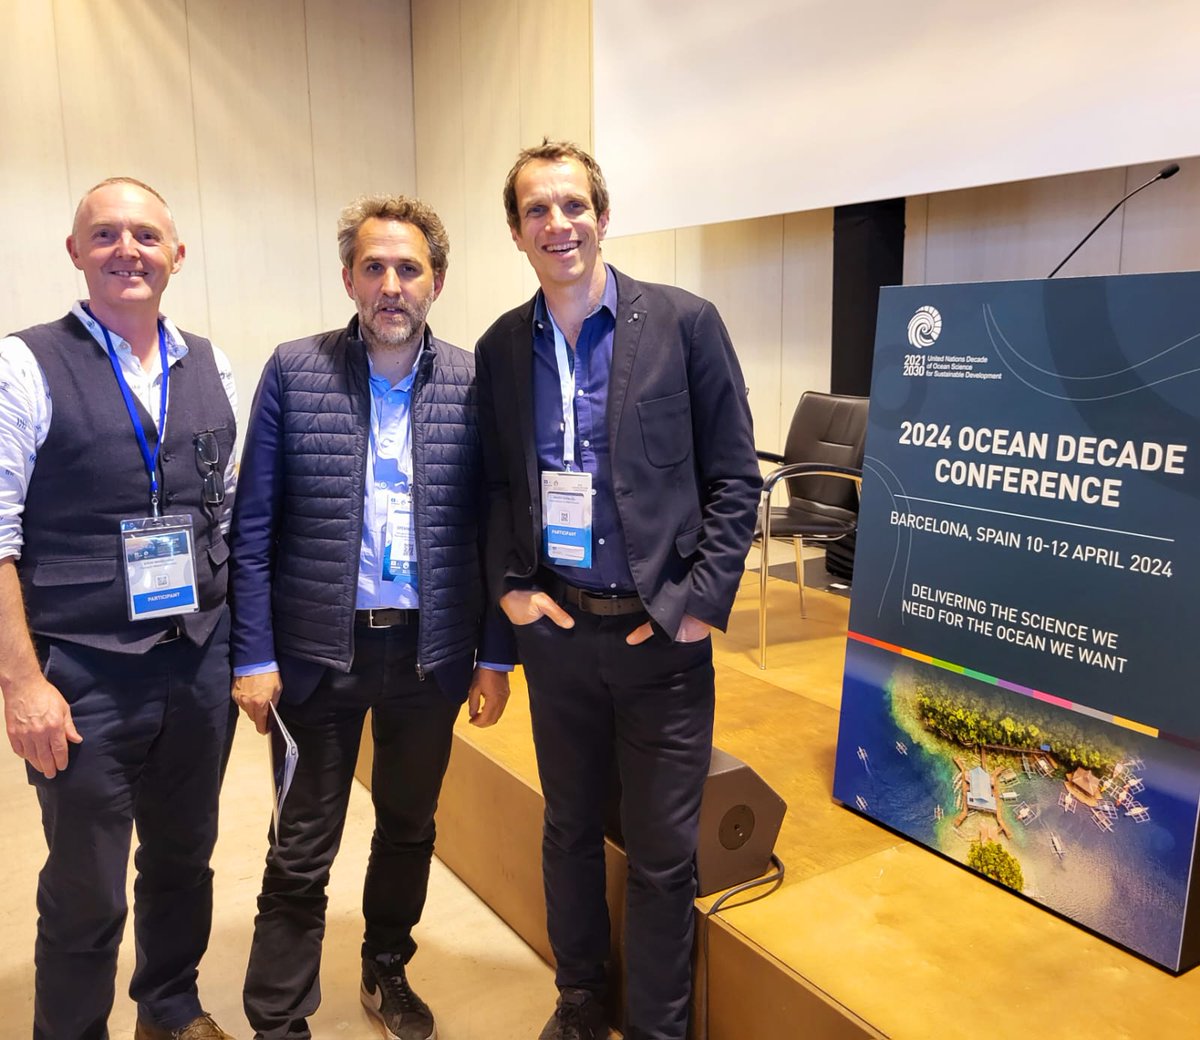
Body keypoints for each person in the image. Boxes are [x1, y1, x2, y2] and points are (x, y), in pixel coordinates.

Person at [475, 141, 762, 1040]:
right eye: (537, 211)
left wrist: (695, 609)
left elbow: (736, 478)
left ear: (603, 216)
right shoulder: (498, 347)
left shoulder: (684, 324)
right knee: (566, 830)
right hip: (558, 639)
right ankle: (581, 996)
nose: (557, 224)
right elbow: (492, 489)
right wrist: (513, 595)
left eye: (572, 206)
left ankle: (658, 1028)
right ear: (517, 232)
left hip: (659, 643)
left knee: (664, 855)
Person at [229, 193, 514, 1040]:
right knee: (303, 843)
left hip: (429, 656)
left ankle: (386, 967)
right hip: (321, 653)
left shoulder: (472, 381)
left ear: (437, 280)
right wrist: (251, 654)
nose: (392, 285)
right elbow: (253, 525)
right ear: (350, 277)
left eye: (410, 268)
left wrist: (493, 657)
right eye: (375, 267)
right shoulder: (294, 369)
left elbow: (495, 530)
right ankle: (278, 1017)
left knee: (408, 828)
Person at [0, 177, 239, 1040]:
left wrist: (243, 656)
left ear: (177, 254)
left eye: (146, 236)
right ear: (75, 253)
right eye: (105, 235)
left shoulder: (213, 364)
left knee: (185, 856)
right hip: (85, 670)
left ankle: (170, 1008)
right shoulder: (24, 364)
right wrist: (22, 683)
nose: (127, 251)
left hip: (198, 659)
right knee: (88, 880)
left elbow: (228, 516)